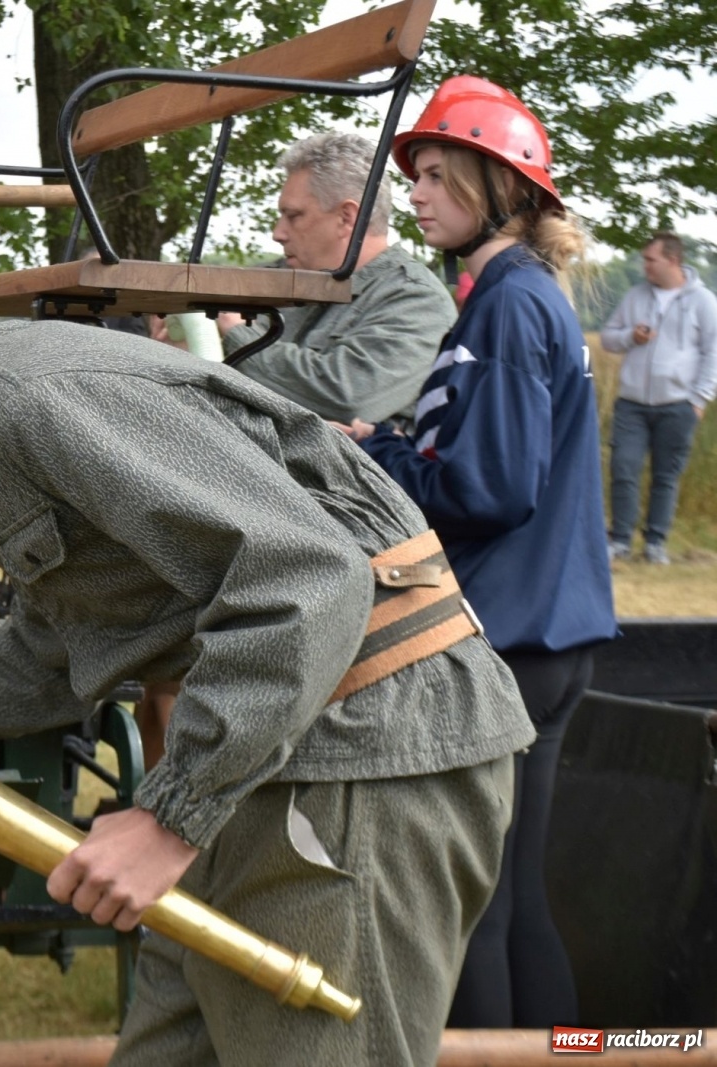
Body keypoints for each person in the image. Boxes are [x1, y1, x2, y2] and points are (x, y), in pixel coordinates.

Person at [0, 229, 533, 1064]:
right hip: (270, 754)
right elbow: (68, 636)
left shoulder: (33, 398)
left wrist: (168, 820)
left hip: (360, 757)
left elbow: (307, 577)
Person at [346, 75, 618, 1029]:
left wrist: (368, 469)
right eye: (414, 176)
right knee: (514, 900)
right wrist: (381, 442)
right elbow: (476, 456)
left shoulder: (506, 308)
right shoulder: (522, 298)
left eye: (433, 175)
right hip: (550, 638)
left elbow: (490, 487)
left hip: (504, 639)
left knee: (472, 911)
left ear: (496, 187)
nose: (414, 193)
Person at [215, 131, 455, 428]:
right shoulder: (273, 279)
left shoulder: (417, 302)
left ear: (346, 217)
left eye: (294, 216)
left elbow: (348, 397)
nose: (278, 233)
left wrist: (239, 336)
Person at [600, 231, 717, 564]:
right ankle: (620, 540)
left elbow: (714, 353)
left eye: (651, 260)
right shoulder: (636, 296)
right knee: (624, 467)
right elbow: (608, 338)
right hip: (632, 403)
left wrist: (698, 400)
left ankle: (655, 545)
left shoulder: (703, 301)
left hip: (679, 405)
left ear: (673, 260)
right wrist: (630, 337)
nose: (645, 266)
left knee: (666, 476)